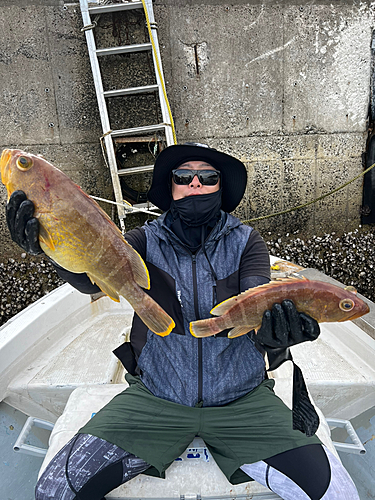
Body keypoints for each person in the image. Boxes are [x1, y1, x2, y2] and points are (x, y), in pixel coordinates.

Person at [6, 143, 359, 500]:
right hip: (155, 397)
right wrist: (49, 249)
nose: (195, 183)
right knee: (54, 490)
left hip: (244, 400)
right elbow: (93, 275)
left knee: (340, 495)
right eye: (183, 176)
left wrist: (276, 333)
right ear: (170, 186)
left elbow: (258, 300)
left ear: (220, 187)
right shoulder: (143, 239)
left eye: (207, 177)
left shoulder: (247, 242)